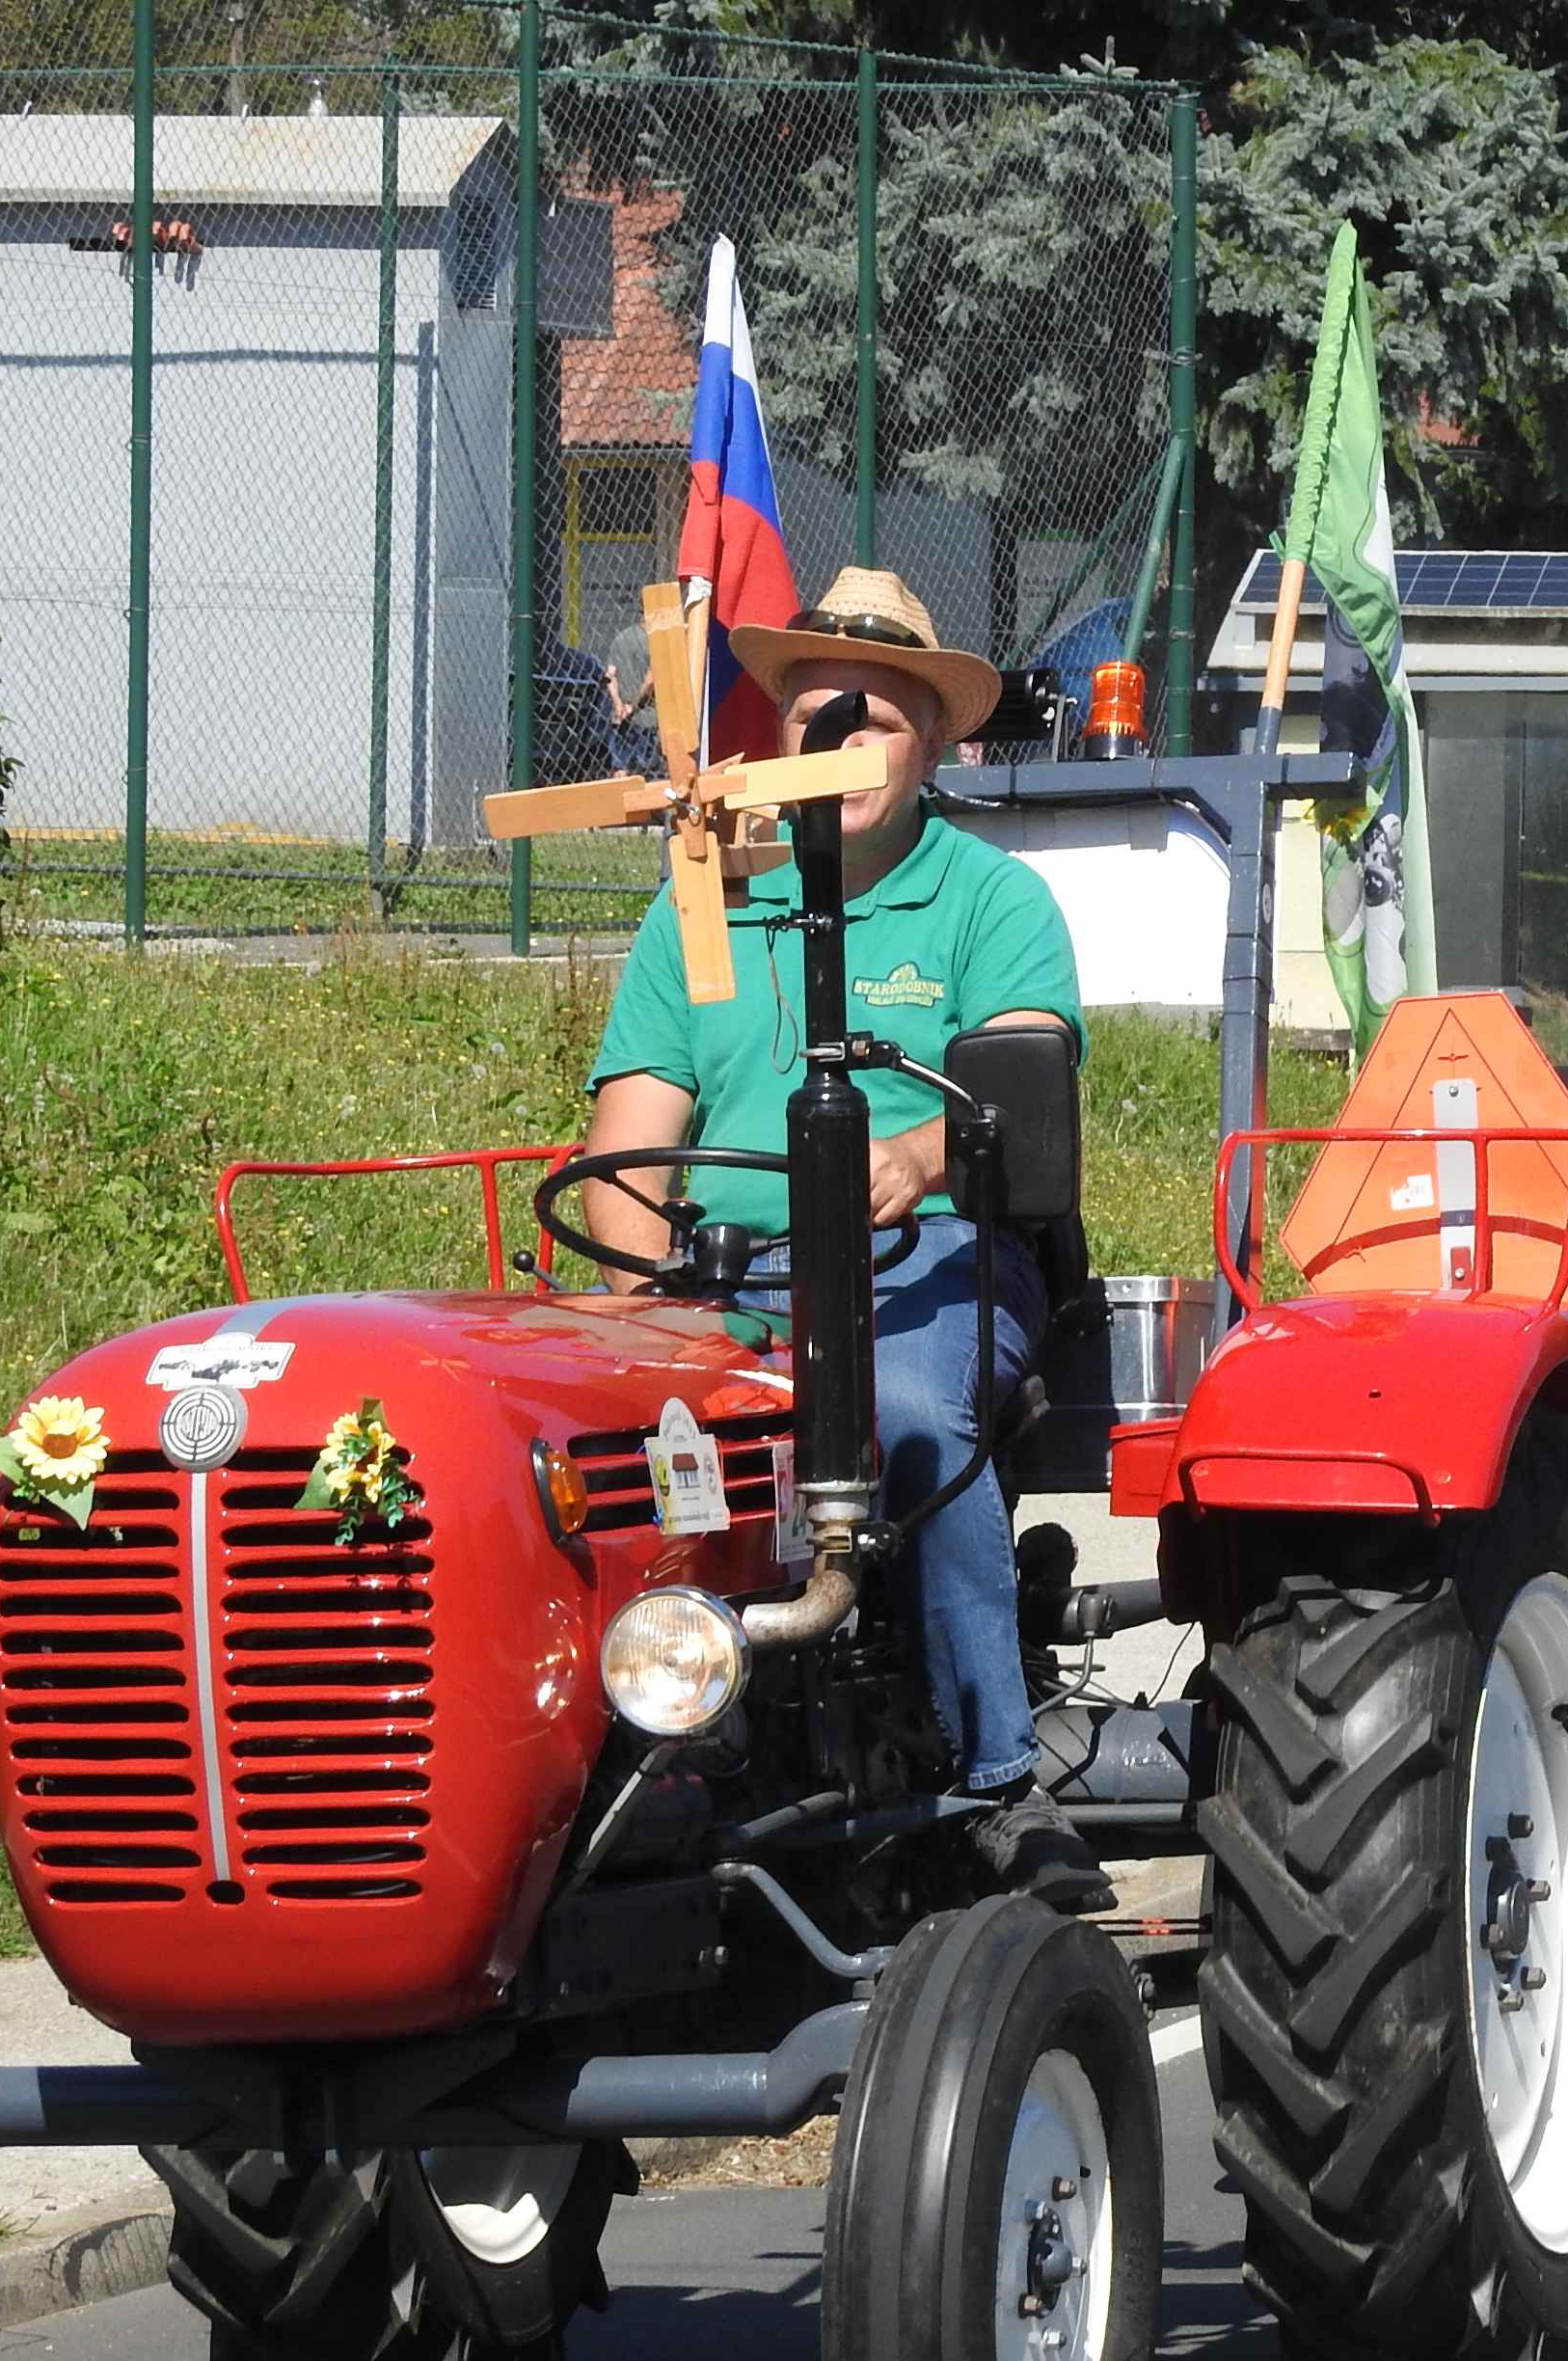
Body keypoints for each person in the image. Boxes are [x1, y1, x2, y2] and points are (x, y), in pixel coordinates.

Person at [580, 564, 1111, 1913]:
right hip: (731, 1275)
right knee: (592, 1450)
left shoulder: (990, 904)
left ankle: (999, 1780)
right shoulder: (703, 909)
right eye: (817, 712)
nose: (840, 744)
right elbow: (628, 1153)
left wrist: (916, 1155)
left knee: (911, 1419)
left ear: (932, 742)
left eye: (874, 717)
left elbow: (1022, 1095)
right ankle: (619, 1772)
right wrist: (638, 1304)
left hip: (934, 1253)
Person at [605, 610, 662, 774]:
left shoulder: (621, 637)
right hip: (648, 719)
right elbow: (651, 680)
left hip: (621, 719)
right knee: (649, 774)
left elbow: (610, 675)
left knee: (621, 769)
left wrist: (618, 705)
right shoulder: (655, 640)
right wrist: (632, 705)